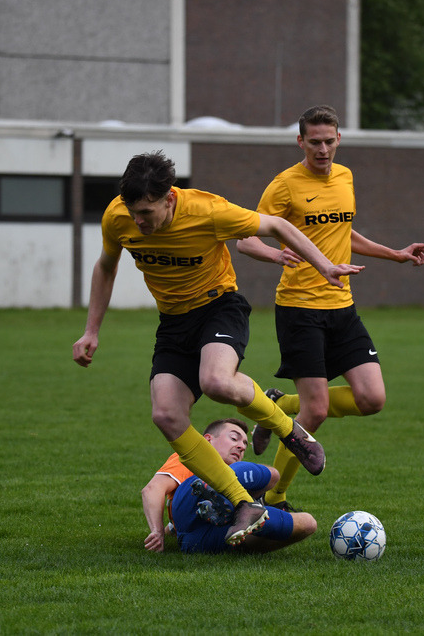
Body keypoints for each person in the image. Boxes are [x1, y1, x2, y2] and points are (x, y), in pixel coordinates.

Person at [72, 151, 363, 546]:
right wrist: (92, 331)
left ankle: (288, 429)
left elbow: (276, 224)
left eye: (147, 211)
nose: (139, 221)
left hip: (219, 307)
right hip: (174, 324)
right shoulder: (118, 217)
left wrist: (324, 265)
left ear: (170, 199)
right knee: (166, 414)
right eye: (133, 211)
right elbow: (106, 265)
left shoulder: (208, 211)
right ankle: (244, 502)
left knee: (216, 382)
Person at [236, 105, 424, 510]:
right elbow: (245, 239)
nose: (323, 149)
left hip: (342, 307)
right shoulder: (285, 184)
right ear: (301, 142)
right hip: (299, 309)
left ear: (339, 139)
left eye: (329, 141)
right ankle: (275, 495)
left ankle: (277, 406)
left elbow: (343, 233)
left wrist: (394, 254)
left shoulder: (345, 177)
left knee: (372, 399)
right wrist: (276, 257)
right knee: (318, 411)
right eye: (315, 142)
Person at [142, 417, 316, 553]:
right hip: (188, 508)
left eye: (244, 445)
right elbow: (152, 489)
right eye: (234, 438)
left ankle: (235, 515)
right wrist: (157, 532)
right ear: (207, 440)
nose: (240, 446)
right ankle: (220, 497)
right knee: (263, 473)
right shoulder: (190, 457)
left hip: (195, 540)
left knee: (308, 523)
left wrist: (169, 530)